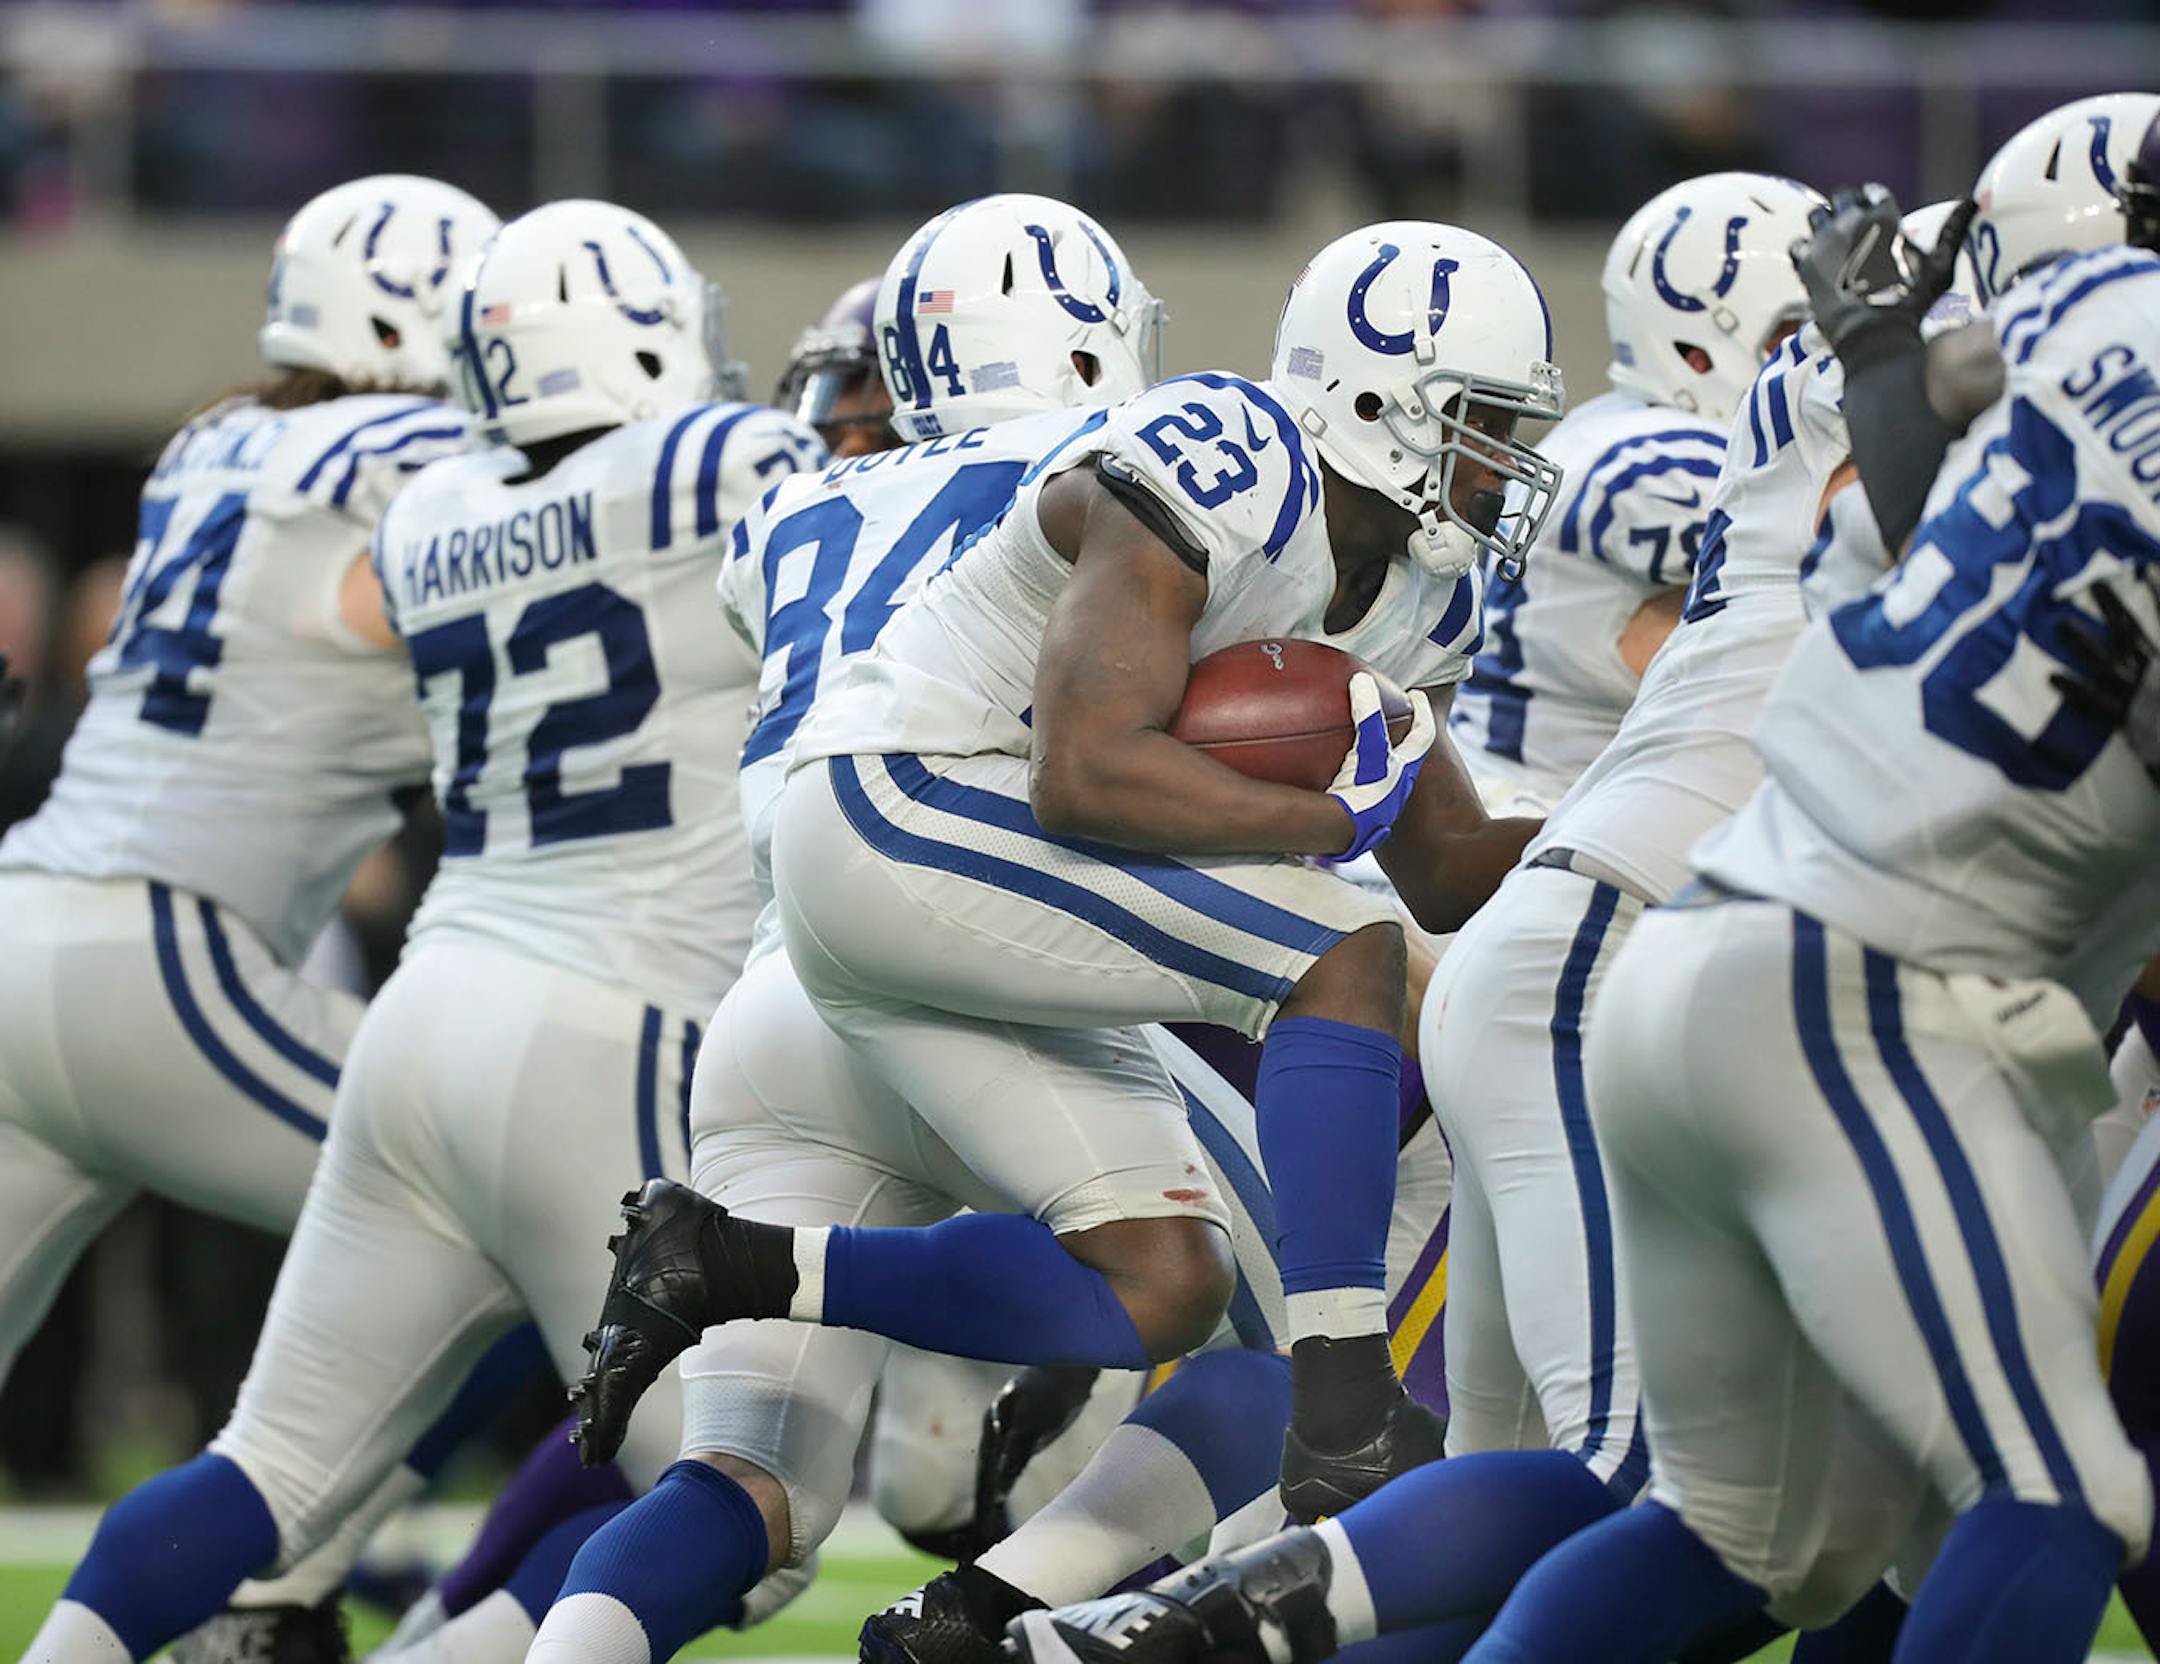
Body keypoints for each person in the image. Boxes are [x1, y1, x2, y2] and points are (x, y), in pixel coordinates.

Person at [578, 219, 1559, 1528]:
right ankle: (1343, 1408)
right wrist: (1321, 819)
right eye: (1484, 421)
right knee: (1342, 949)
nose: (1507, 461)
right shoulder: (1231, 457)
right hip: (904, 792)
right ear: (1381, 398)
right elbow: (1085, 773)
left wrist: (1635, 845)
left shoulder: (1425, 592)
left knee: (1169, 1281)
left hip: (980, 857)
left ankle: (725, 1261)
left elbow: (1447, 865)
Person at [19, 196, 825, 1664]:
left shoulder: (412, 501)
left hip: (417, 1007)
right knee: (748, 1501)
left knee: (269, 1462)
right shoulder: (711, 464)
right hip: (607, 1012)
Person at [0, 174, 504, 1663]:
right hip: (166, 955)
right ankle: (274, 1582)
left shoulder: (211, 439)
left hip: (32, 924)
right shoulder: (425, 455)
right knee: (528, 1216)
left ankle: (263, 1581)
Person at [1448, 172, 1816, 818]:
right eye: (1805, 337)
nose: (1832, 366)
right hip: (1533, 820)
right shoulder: (1660, 458)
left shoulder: (1613, 426)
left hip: (1575, 807)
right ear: (1698, 351)